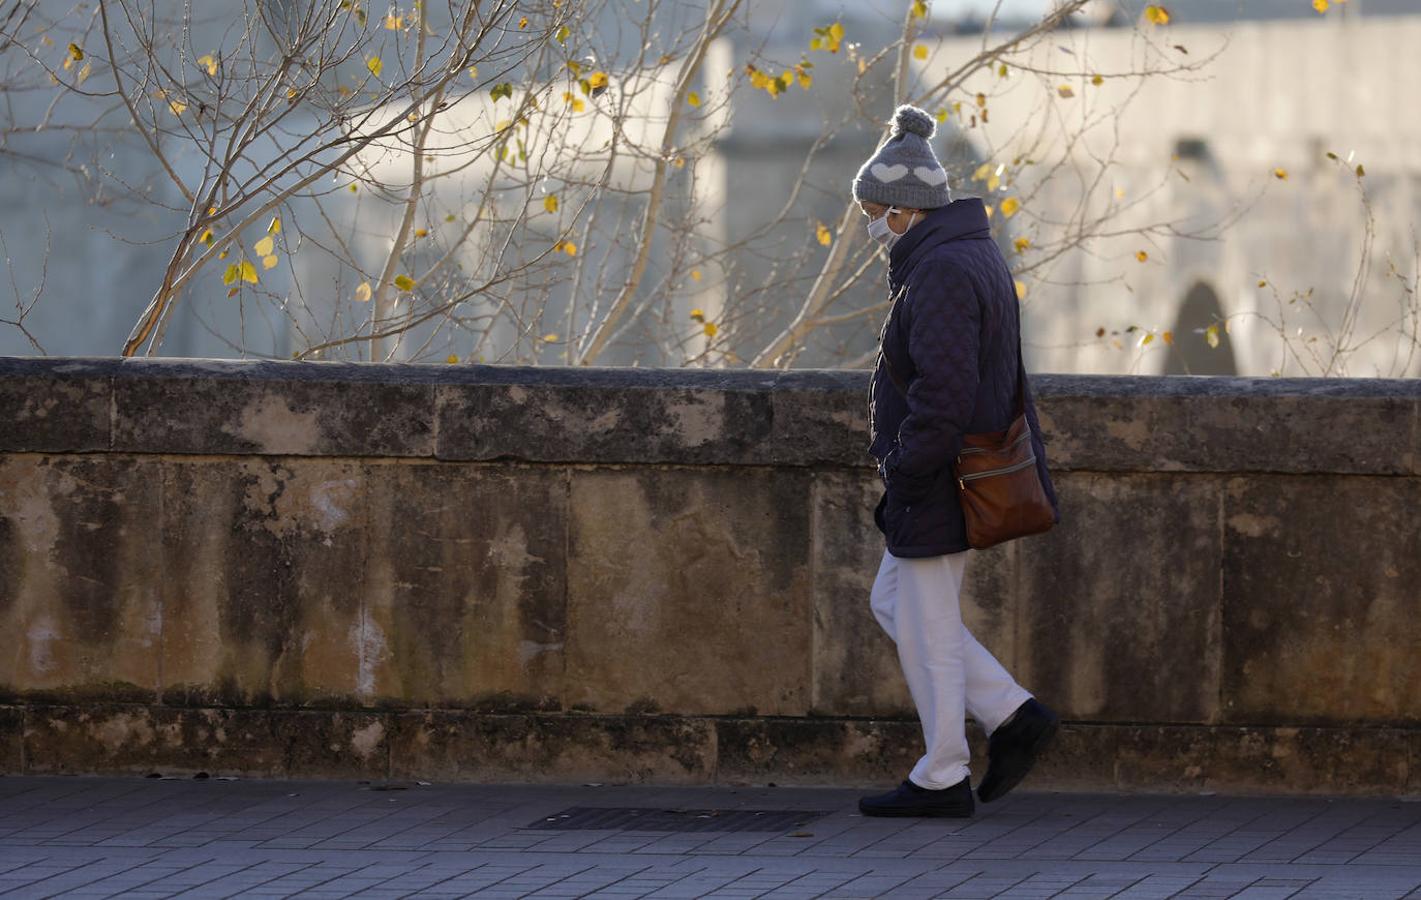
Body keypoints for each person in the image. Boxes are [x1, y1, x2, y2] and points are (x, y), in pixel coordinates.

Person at [853, 104, 1062, 818]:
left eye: (875, 211)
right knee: (896, 603)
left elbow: (942, 393)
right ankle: (1011, 712)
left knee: (928, 623)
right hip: (951, 468)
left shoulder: (939, 272)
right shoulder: (964, 253)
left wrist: (908, 471)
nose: (869, 224)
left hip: (941, 473)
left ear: (906, 211)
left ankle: (942, 772)